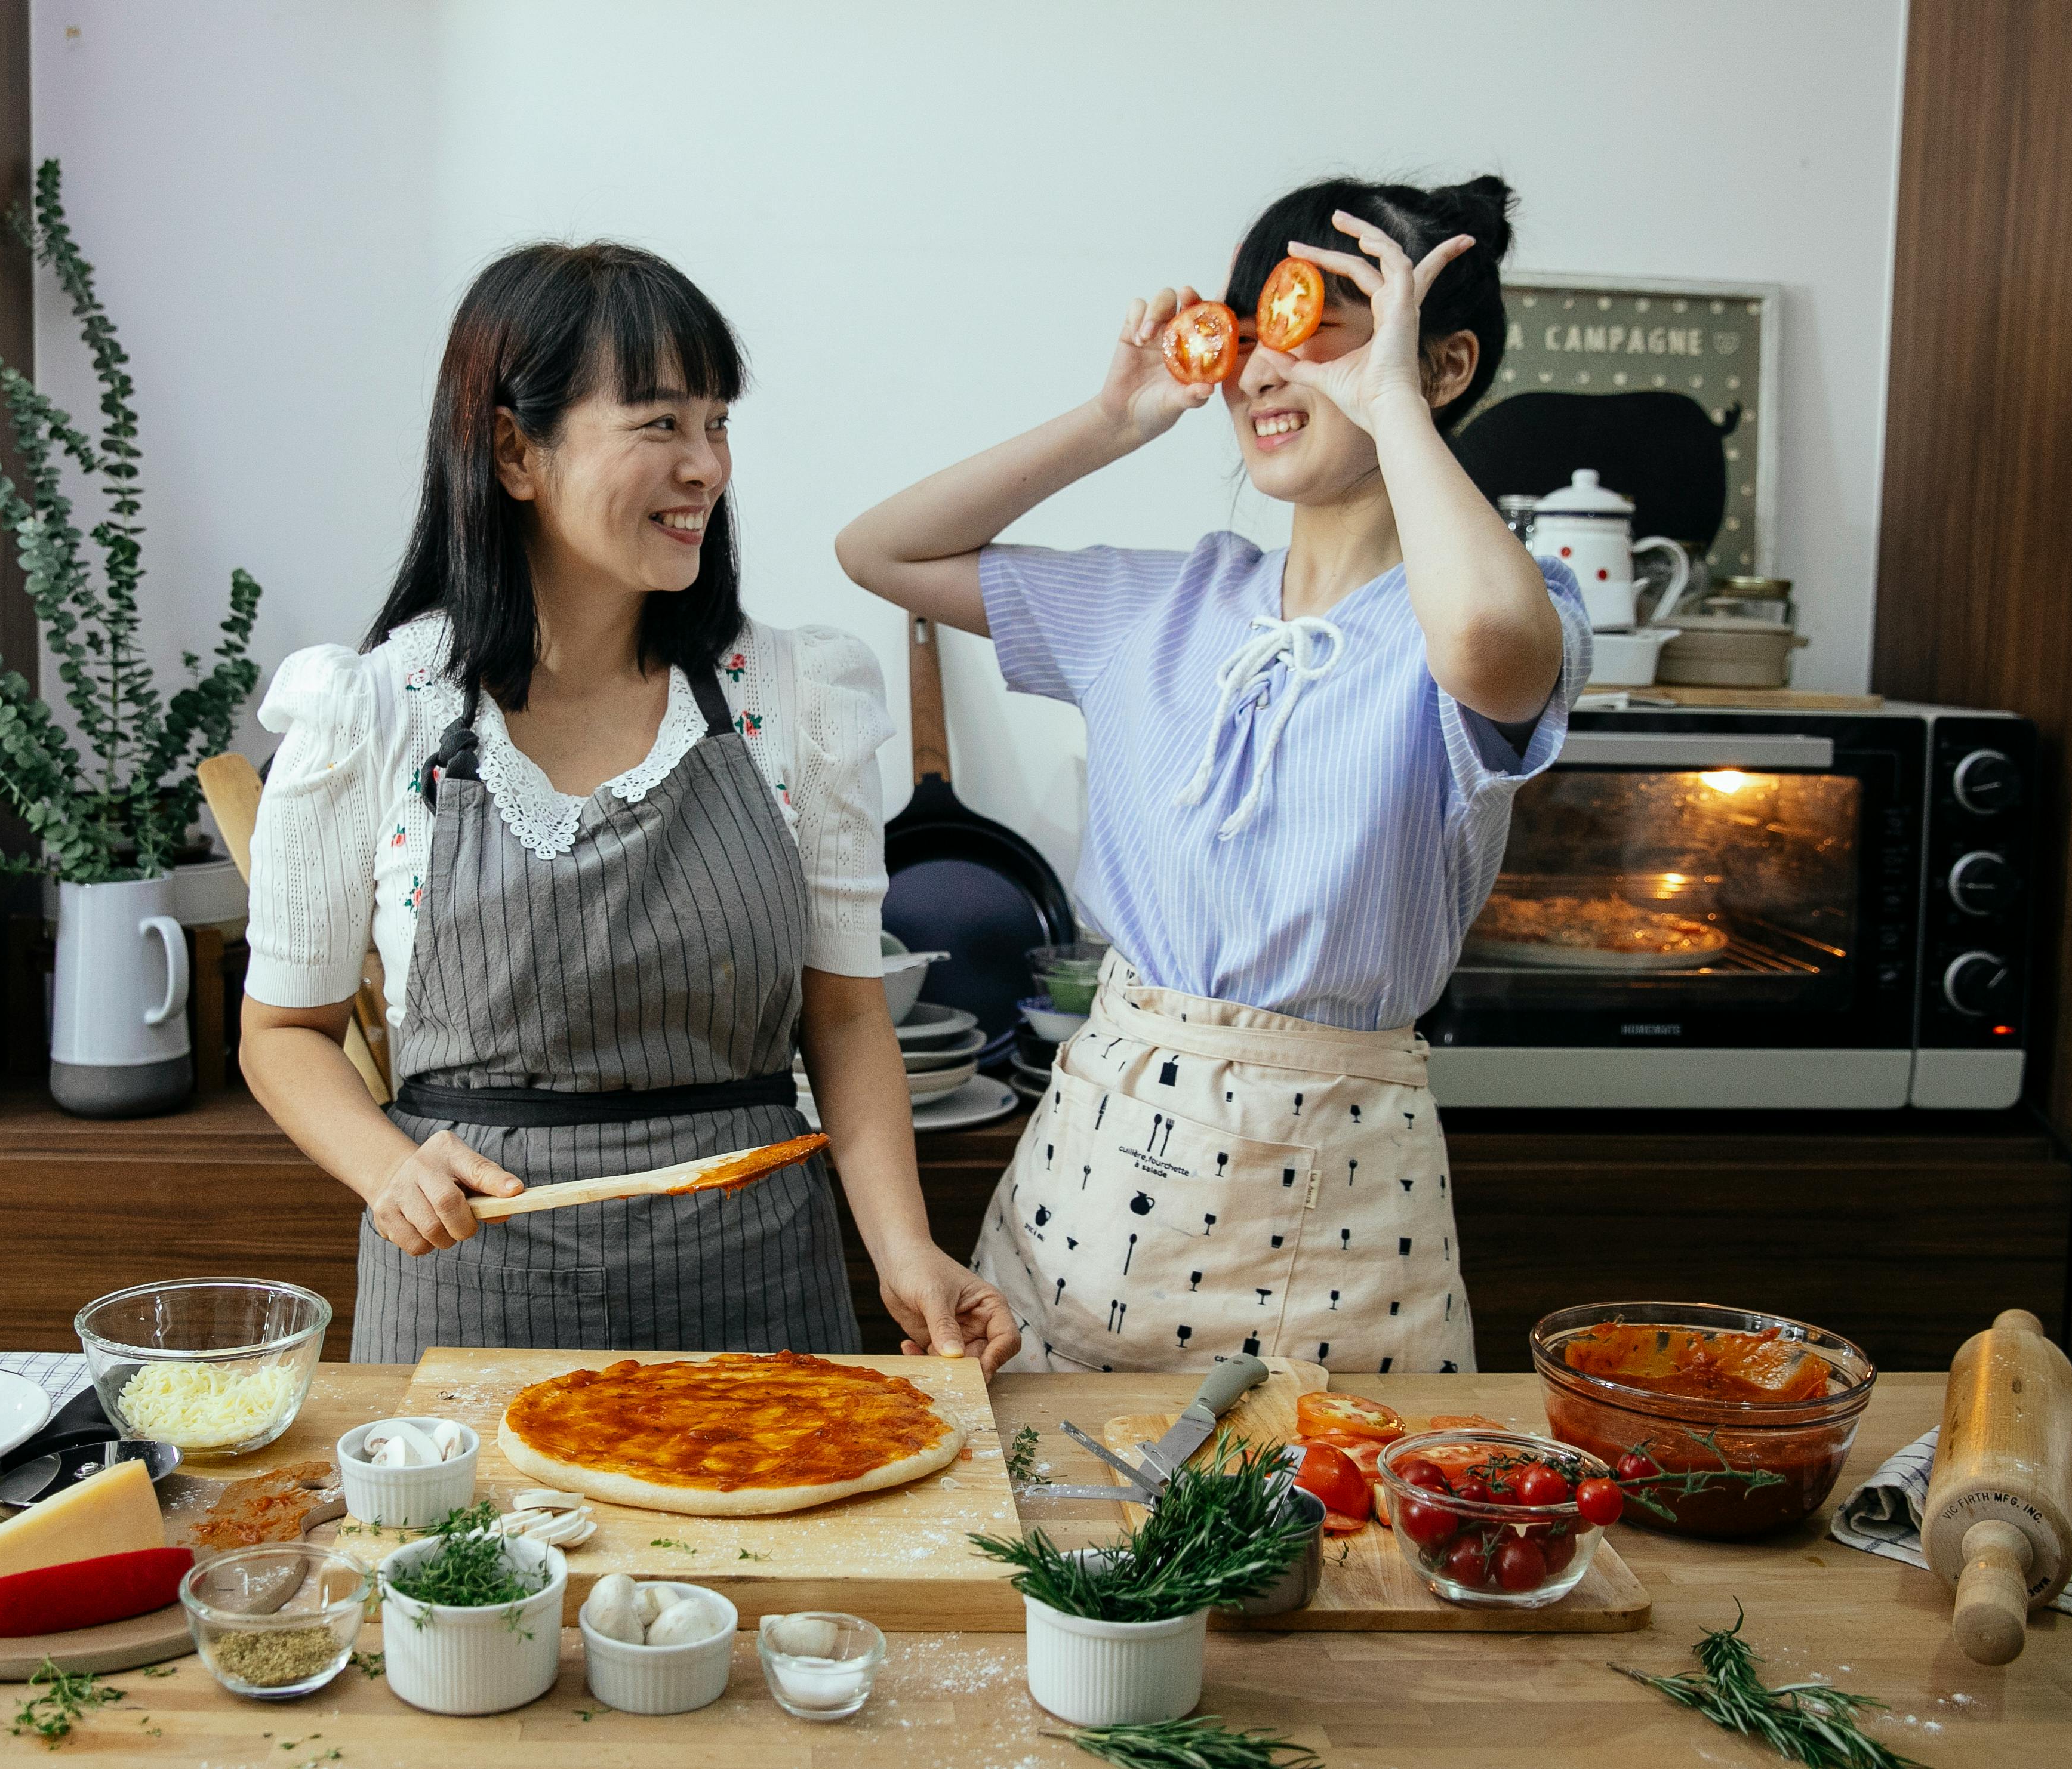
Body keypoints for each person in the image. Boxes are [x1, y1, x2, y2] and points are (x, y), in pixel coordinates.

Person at [835, 176, 1588, 1376]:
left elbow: (1490, 652)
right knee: (1048, 1537)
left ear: (1442, 367)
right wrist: (1114, 419)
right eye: (1250, 328)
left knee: (1339, 1550)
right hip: (1089, 1193)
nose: (1261, 366)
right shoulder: (1159, 603)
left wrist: (1393, 406)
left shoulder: (1500, 607)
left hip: (1347, 1220)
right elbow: (880, 549)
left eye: (1315, 323)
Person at [242, 241, 1017, 1372]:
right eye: (659, 424)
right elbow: (283, 1035)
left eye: (718, 424)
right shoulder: (374, 712)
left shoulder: (796, 697)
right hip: (471, 1295)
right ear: (515, 451)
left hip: (751, 1287)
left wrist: (906, 1254)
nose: (706, 466)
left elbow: (845, 1017)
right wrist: (385, 1167)